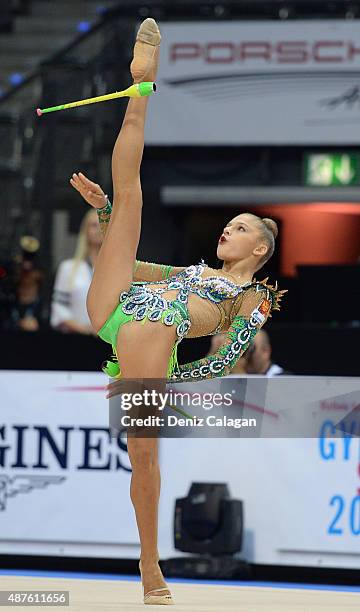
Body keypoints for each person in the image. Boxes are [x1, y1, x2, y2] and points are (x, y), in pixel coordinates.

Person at [70, 18, 286, 605]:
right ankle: (142, 87)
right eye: (228, 223)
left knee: (145, 463)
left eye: (239, 228)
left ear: (260, 250)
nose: (228, 229)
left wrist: (166, 379)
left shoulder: (248, 297)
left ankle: (149, 564)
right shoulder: (193, 272)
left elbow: (225, 362)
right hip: (117, 302)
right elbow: (133, 269)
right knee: (130, 195)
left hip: (146, 344)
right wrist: (108, 216)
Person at [50, 209, 101, 335]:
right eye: (94, 225)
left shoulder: (116, 270)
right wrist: (83, 329)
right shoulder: (68, 268)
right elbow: (59, 307)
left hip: (109, 340)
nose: (99, 229)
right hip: (76, 338)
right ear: (86, 230)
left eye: (102, 224)